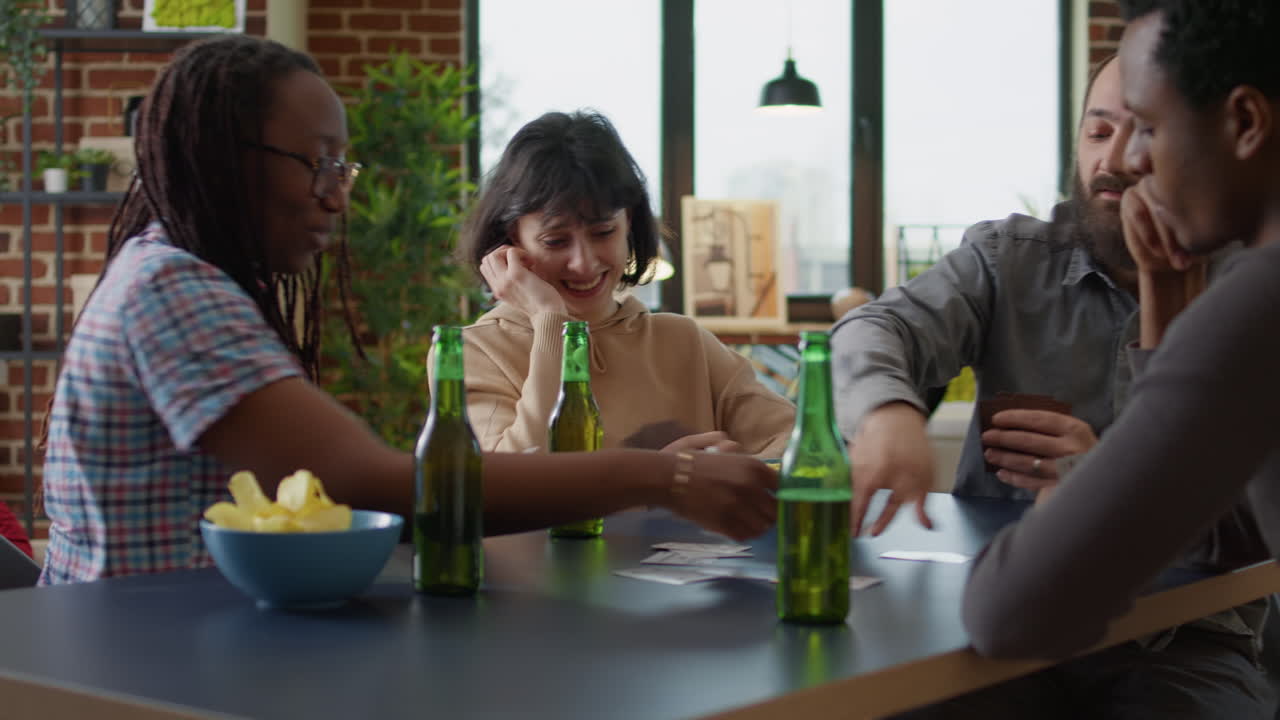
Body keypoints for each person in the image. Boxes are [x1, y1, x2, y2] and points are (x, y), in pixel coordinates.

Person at [38, 37, 778, 585]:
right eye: (319, 162)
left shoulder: (171, 273)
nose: (339, 191)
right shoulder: (172, 287)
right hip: (135, 659)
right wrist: (661, 477)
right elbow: (369, 480)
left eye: (343, 166)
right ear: (228, 158)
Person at [833, 51, 1272, 718]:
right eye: (1098, 132)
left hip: (1186, 642)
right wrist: (887, 411)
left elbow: (1249, 534)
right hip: (995, 625)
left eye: (1146, 130)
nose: (1116, 160)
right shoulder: (1010, 258)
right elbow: (878, 328)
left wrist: (1105, 478)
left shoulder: (1249, 292)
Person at [960, 0, 1280, 713]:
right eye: (1106, 129)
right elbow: (1224, 532)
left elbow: (1012, 612)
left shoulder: (1258, 305)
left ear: (1246, 123)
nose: (1130, 162)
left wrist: (1075, 482)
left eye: (1150, 128)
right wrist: (1166, 296)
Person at [451, 110, 795, 456]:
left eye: (603, 233)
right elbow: (508, 485)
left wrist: (740, 469)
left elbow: (799, 446)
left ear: (628, 222)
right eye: (555, 241)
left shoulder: (684, 342)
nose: (583, 263)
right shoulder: (478, 352)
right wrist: (549, 321)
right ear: (514, 238)